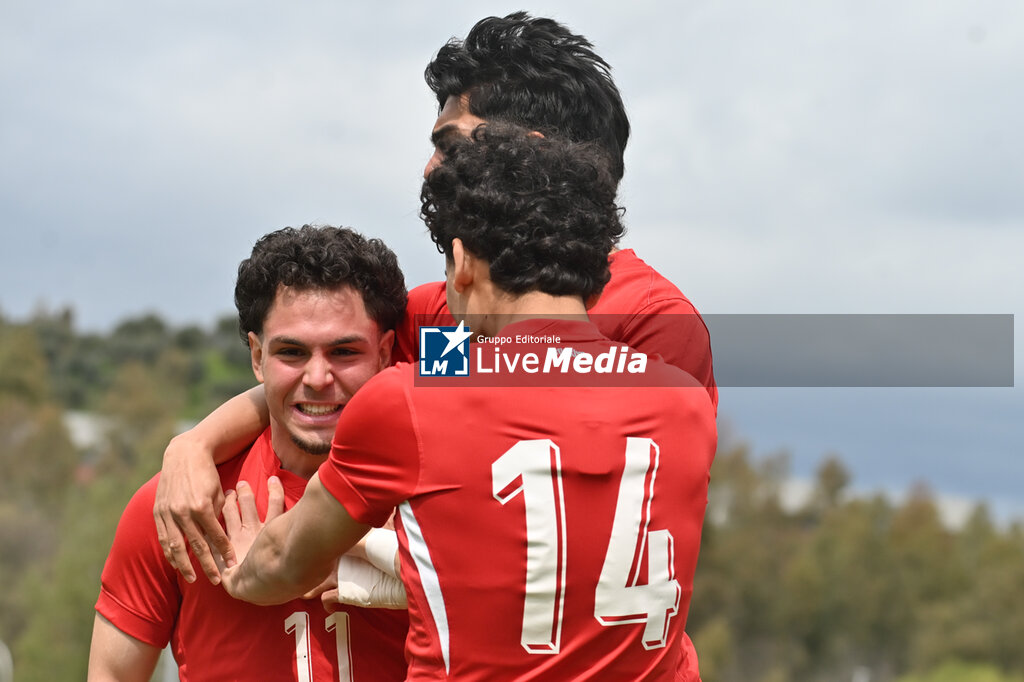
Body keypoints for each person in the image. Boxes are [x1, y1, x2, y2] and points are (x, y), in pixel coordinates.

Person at [155, 12, 714, 678]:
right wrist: (195, 444)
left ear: (525, 153)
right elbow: (340, 373)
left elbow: (585, 550)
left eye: (450, 143)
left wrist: (379, 566)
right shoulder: (461, 321)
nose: (430, 166)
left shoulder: (652, 324)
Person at [88, 226, 410, 681]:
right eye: (292, 352)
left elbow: (536, 358)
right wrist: (190, 444)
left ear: (385, 353)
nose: (318, 377)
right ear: (257, 358)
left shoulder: (433, 495)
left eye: (343, 351)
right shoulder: (181, 504)